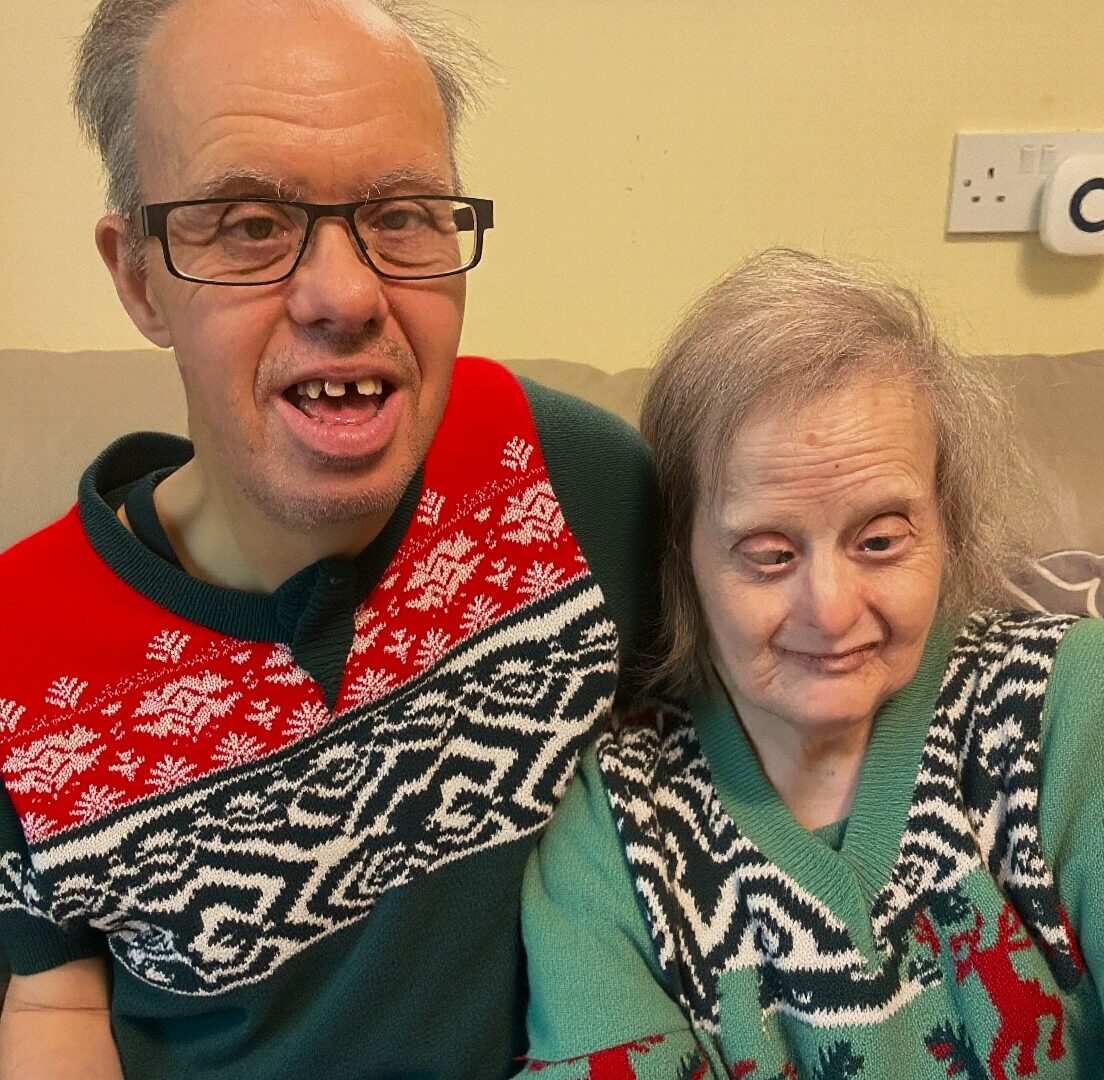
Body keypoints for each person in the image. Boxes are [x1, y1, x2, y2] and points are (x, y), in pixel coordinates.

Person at [0, 2, 656, 1077]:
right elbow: (51, 992)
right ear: (140, 278)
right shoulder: (18, 647)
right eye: (250, 223)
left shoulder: (575, 480)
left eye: (402, 214)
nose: (347, 295)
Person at [516, 249, 1104, 1078]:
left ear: (949, 529)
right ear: (683, 562)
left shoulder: (1064, 704)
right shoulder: (618, 832)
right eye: (767, 552)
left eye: (880, 540)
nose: (830, 610)